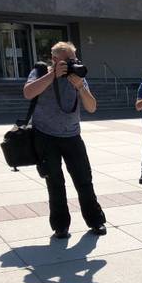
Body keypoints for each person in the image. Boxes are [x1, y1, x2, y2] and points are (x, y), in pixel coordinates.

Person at [22, 41, 107, 239]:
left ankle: (96, 221)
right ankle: (60, 226)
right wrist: (52, 75)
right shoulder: (40, 71)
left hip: (72, 136)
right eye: (67, 60)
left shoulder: (77, 75)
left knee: (84, 180)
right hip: (45, 136)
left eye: (73, 59)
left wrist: (80, 87)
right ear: (54, 59)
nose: (72, 63)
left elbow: (92, 107)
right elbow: (28, 93)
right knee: (55, 183)